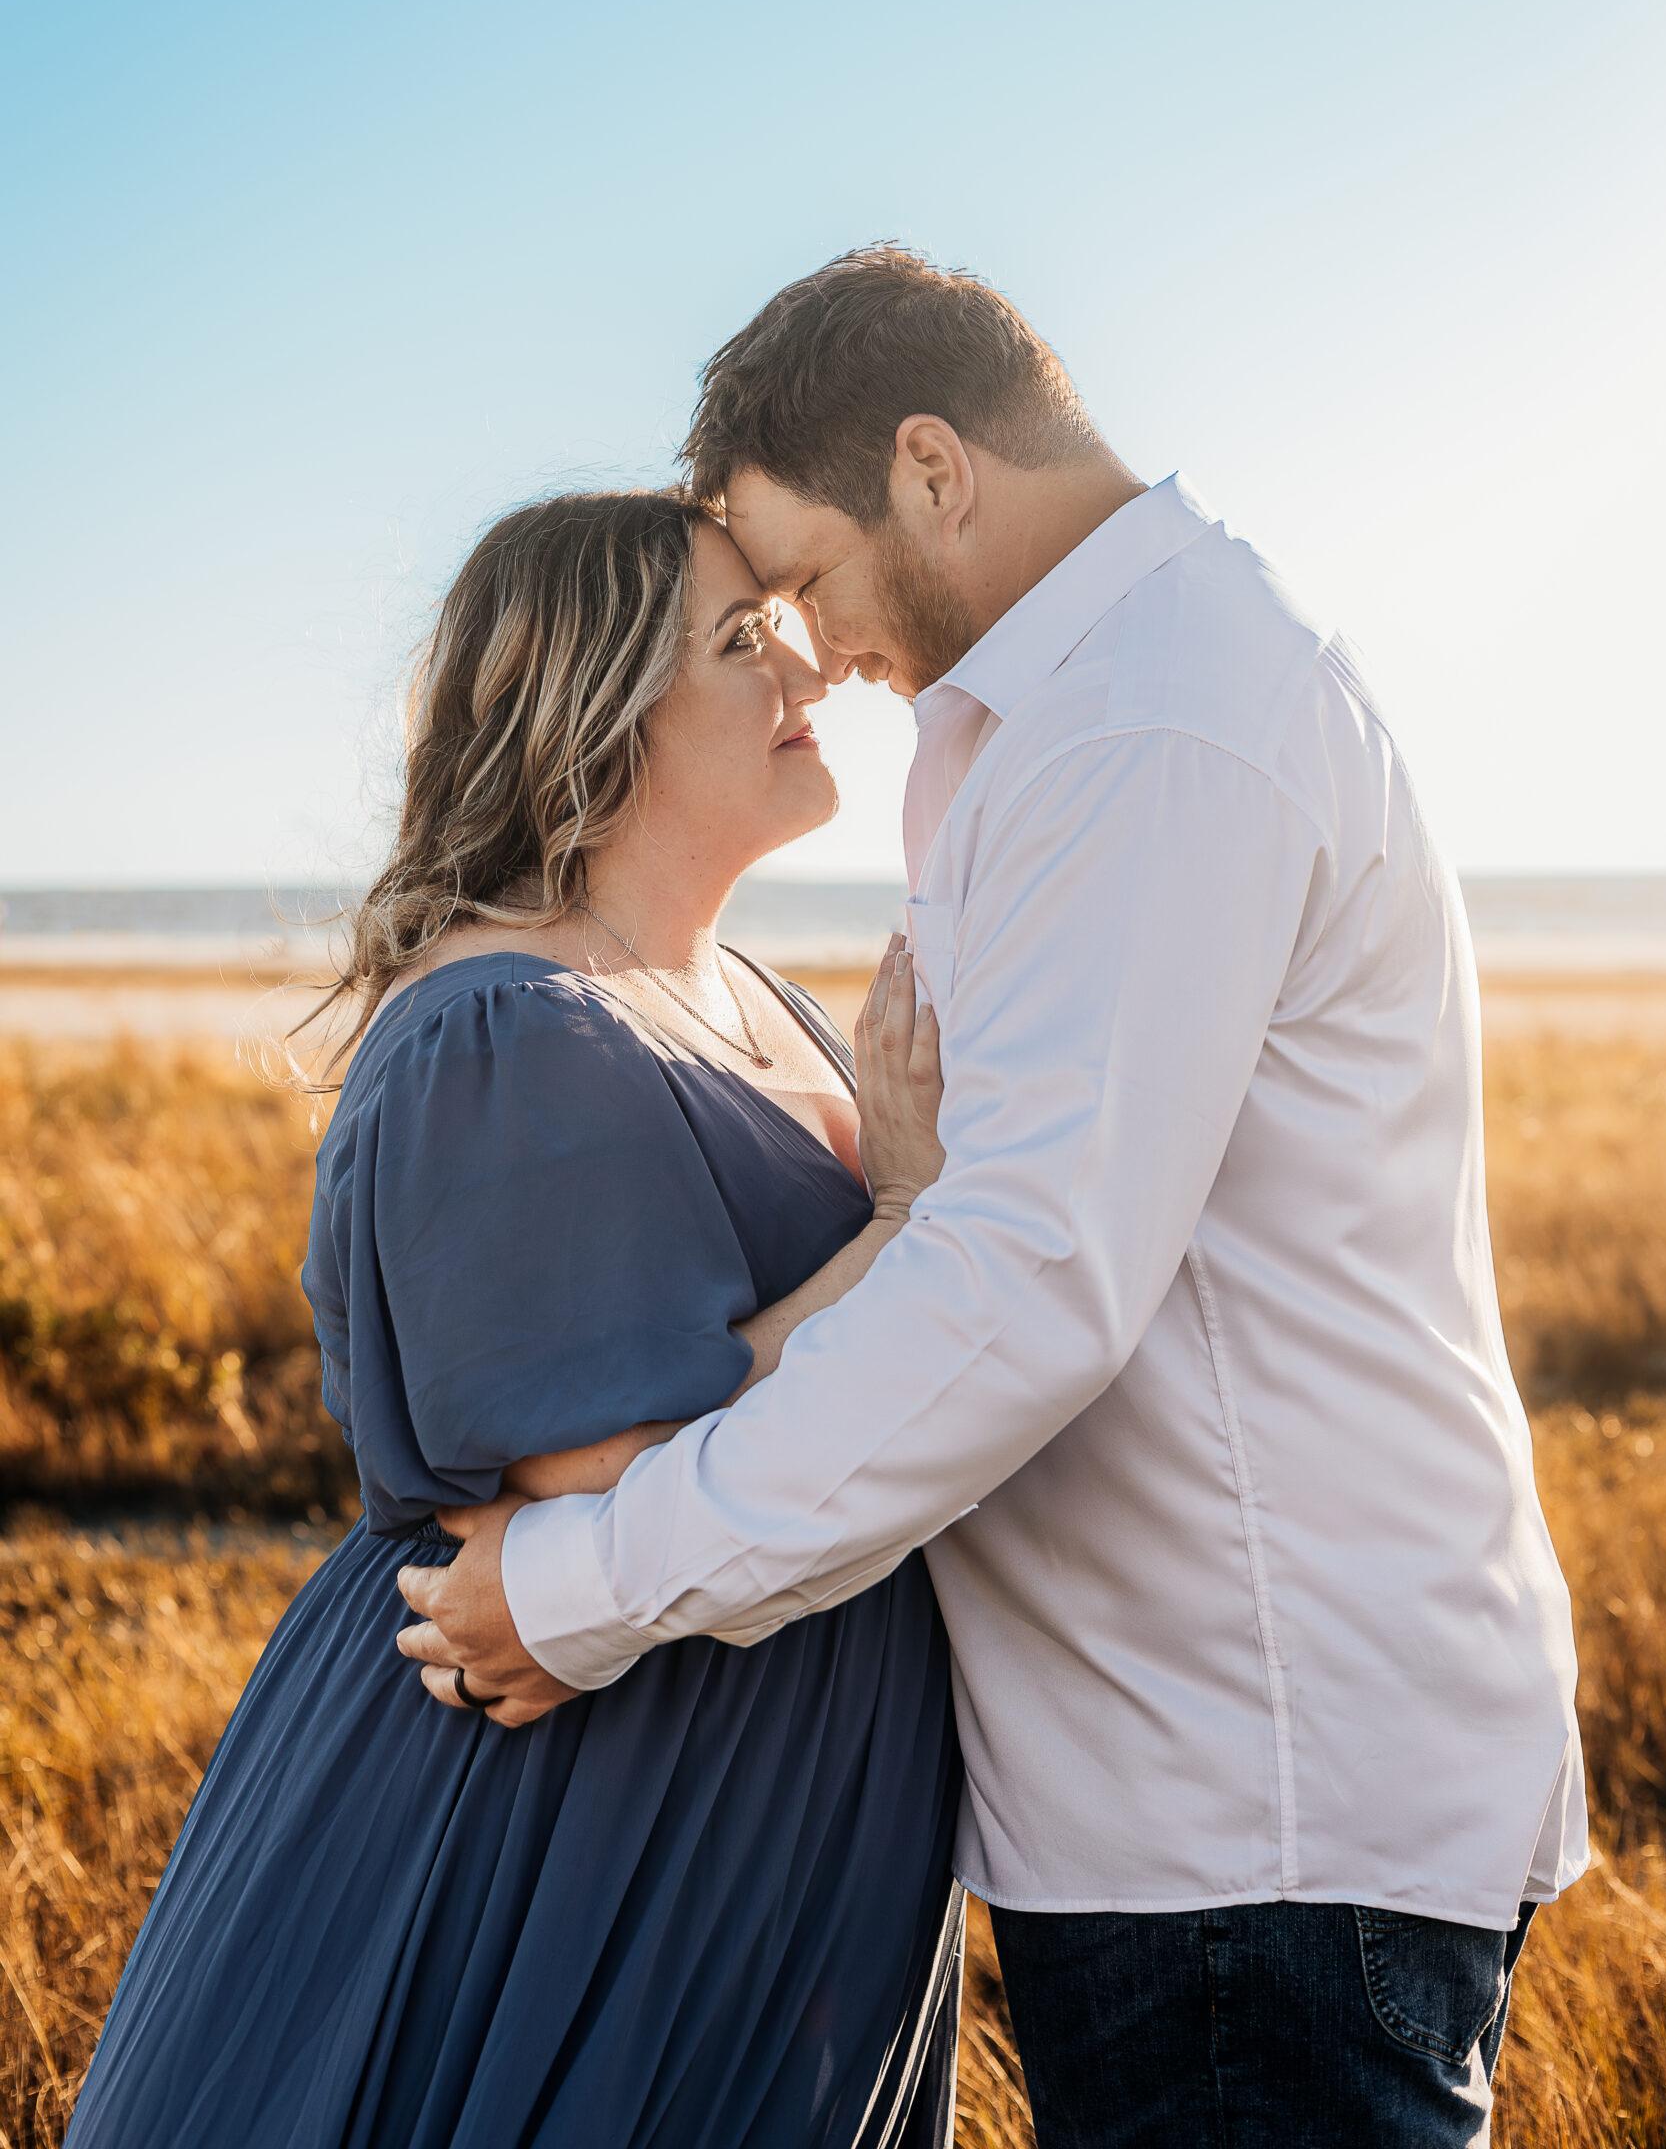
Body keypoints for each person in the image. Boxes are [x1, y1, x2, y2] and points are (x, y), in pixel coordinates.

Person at [402, 250, 1590, 2149]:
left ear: (935, 468)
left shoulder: (1140, 726)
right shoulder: (1079, 709)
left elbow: (1031, 1283)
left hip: (1248, 1811)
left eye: (807, 579)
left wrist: (586, 1590)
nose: (809, 644)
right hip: (1191, 1798)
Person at [66, 490, 963, 2149]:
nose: (807, 670)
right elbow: (602, 1457)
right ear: (600, 718)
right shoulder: (508, 1027)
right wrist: (909, 1224)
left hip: (760, 1779)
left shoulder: (732, 983)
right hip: (577, 1810)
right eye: (741, 640)